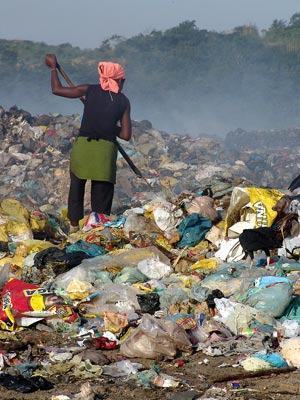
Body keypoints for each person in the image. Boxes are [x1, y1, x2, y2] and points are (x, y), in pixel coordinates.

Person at [45, 54, 132, 231]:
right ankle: (97, 226)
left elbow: (57, 89)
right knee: (101, 191)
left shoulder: (89, 90)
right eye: (122, 80)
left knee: (77, 186)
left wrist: (53, 68)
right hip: (104, 151)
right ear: (118, 80)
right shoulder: (123, 101)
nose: (123, 83)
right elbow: (125, 135)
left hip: (84, 147)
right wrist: (109, 126)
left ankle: (74, 226)